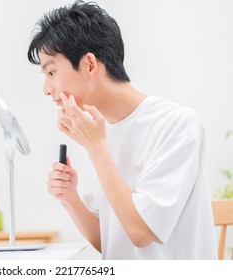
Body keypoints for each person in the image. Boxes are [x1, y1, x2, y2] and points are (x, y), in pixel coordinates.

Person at [27, 0, 217, 259]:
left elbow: (141, 233)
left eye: (51, 72)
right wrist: (69, 198)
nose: (46, 90)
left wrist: (96, 148)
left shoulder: (178, 125)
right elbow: (108, 241)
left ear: (90, 65)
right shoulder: (97, 133)